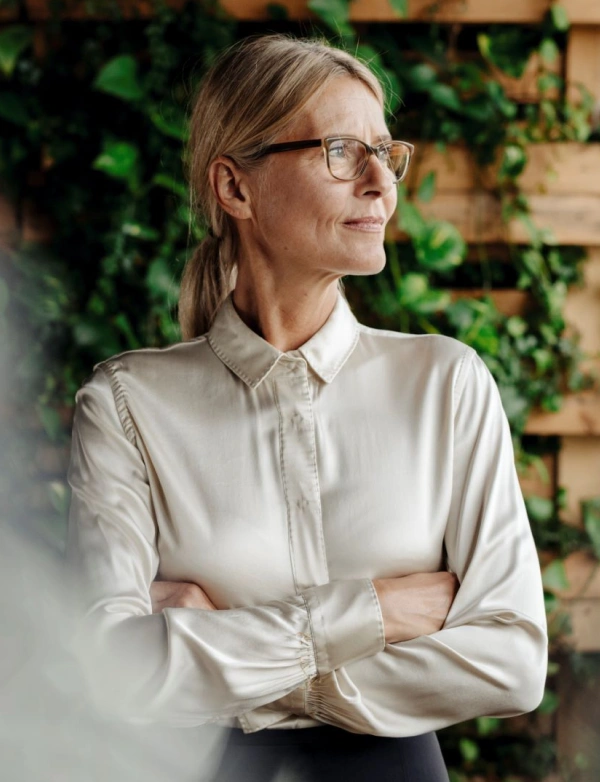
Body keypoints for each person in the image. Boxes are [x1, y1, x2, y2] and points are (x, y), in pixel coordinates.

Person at [64, 33, 548, 782]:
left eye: (385, 152)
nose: (380, 184)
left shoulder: (446, 383)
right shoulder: (127, 405)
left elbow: (512, 661)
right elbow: (108, 673)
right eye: (342, 152)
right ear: (235, 188)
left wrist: (231, 660)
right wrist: (379, 614)